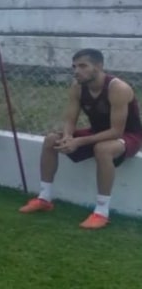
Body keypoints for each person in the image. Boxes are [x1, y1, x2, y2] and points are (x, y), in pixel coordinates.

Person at [19, 48, 142, 229]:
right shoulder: (77, 87)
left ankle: (101, 212)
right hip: (98, 132)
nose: (76, 71)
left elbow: (116, 131)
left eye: (83, 66)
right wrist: (68, 137)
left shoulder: (118, 88)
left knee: (103, 149)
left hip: (128, 135)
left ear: (99, 66)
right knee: (52, 140)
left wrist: (79, 141)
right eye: (74, 66)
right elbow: (70, 119)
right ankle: (44, 198)